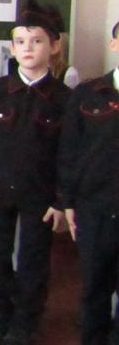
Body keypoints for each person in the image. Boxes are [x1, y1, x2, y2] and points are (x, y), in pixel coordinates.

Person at [0, 0, 70, 345]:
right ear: (12, 48)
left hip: (41, 193)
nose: (28, 48)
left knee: (33, 257)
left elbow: (68, 154)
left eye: (37, 41)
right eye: (21, 41)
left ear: (54, 46)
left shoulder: (65, 98)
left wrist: (61, 199)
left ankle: (26, 318)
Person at [58, 20, 119, 345]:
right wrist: (67, 200)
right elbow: (69, 150)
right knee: (94, 284)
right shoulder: (88, 93)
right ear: (114, 44)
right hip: (95, 206)